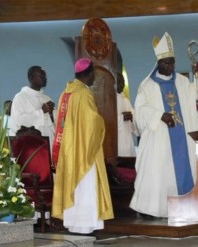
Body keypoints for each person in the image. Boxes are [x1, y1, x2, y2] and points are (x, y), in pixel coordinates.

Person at [129, 32, 198, 218]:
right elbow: (140, 111)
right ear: (158, 63)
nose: (170, 66)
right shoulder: (148, 86)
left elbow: (196, 102)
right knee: (158, 172)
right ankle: (153, 209)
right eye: (167, 62)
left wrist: (197, 77)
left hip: (183, 138)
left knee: (184, 172)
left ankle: (185, 206)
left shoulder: (183, 82)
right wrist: (159, 115)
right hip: (158, 138)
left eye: (173, 62)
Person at [52, 58, 114, 233]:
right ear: (89, 74)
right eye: (93, 73)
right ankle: (85, 225)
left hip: (68, 149)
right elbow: (92, 123)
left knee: (74, 184)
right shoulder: (84, 93)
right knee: (86, 185)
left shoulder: (65, 93)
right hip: (83, 149)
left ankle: (73, 223)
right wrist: (102, 121)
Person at [9, 66, 56, 149]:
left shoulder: (47, 98)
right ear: (31, 78)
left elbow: (54, 123)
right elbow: (19, 121)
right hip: (31, 145)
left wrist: (51, 114)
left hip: (49, 142)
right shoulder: (20, 97)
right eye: (41, 76)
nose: (45, 79)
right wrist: (41, 111)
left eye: (45, 76)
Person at [116, 72, 139, 157]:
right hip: (117, 140)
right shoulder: (109, 101)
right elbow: (108, 122)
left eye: (123, 81)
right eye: (119, 82)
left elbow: (134, 116)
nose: (122, 84)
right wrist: (122, 117)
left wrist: (132, 117)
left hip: (128, 138)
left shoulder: (125, 100)